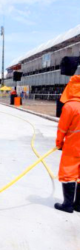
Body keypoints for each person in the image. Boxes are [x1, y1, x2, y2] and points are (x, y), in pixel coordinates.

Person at [55, 75, 80, 213]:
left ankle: (68, 205)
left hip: (74, 146)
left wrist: (59, 143)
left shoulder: (70, 106)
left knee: (68, 173)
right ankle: (79, 205)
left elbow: (62, 128)